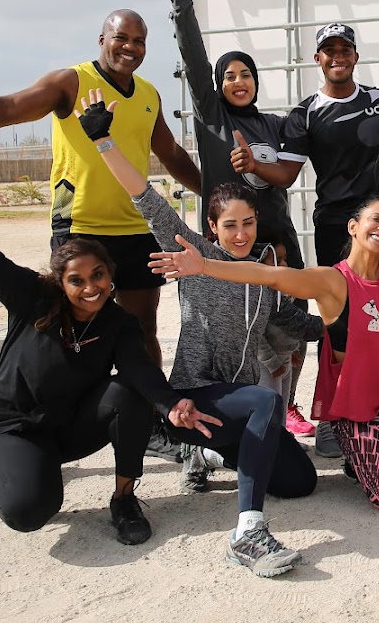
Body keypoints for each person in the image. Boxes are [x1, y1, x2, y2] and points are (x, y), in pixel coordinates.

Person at [153, 195, 379, 517]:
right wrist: (204, 266)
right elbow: (269, 276)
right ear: (353, 227)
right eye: (376, 219)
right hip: (359, 411)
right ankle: (360, 455)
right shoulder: (333, 281)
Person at [78, 92, 321, 577]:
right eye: (230, 225)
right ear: (212, 226)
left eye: (248, 223)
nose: (240, 234)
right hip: (195, 395)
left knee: (301, 481)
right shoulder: (194, 255)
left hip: (239, 406)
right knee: (265, 401)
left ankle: (206, 453)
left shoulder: (263, 272)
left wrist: (338, 324)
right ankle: (248, 533)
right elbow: (146, 199)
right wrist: (104, 140)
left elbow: (293, 324)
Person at [0, 10, 201, 374]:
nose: (130, 47)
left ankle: (151, 406)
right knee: (76, 330)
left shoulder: (149, 94)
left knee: (141, 329)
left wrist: (212, 194)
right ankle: (74, 405)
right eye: (121, 37)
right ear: (103, 40)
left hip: (136, 228)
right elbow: (9, 108)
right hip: (80, 228)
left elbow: (172, 154)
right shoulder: (70, 82)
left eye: (139, 41)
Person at [0, 212, 220, 549]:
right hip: (13, 427)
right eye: (76, 280)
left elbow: (139, 369)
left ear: (110, 274)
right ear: (60, 283)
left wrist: (171, 404)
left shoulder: (118, 322)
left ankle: (124, 499)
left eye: (97, 275)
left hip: (68, 428)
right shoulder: (32, 298)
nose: (90, 287)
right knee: (28, 512)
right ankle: (15, 466)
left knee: (129, 393)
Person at [158, 0, 314, 438]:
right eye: (229, 75)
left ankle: (287, 406)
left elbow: (286, 174)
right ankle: (223, 419)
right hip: (226, 249)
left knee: (291, 328)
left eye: (246, 74)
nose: (238, 81)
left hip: (276, 242)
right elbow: (194, 59)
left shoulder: (275, 124)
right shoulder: (212, 118)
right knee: (230, 333)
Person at [235, 21, 379, 459]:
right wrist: (253, 165)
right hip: (335, 227)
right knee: (338, 325)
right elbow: (287, 174)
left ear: (355, 56)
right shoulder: (305, 114)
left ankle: (377, 407)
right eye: (329, 50)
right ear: (318, 59)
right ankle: (331, 416)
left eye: (344, 49)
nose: (337, 57)